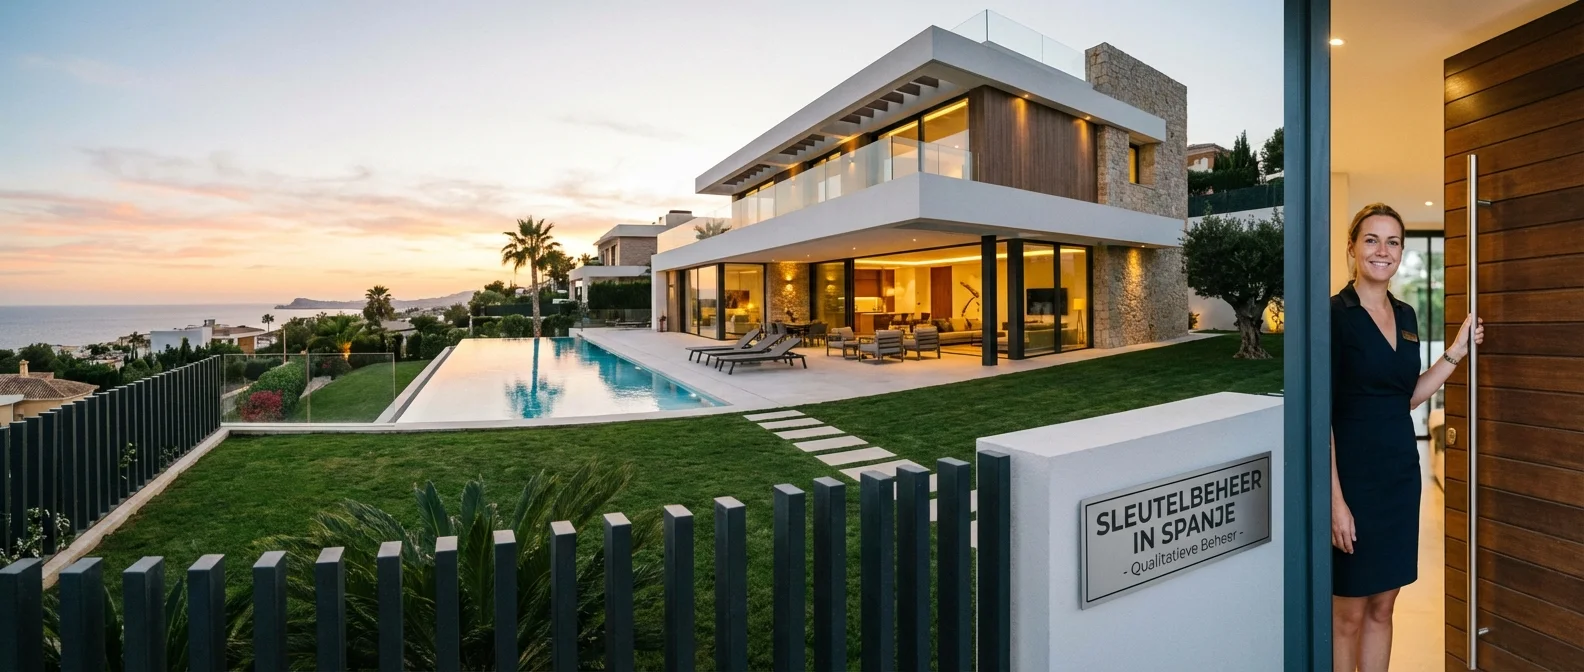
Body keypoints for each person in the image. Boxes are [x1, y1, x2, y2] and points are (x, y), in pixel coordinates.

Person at [1330, 203, 1483, 671]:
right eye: (1371, 240)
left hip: (1399, 477)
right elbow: (1322, 416)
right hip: (1352, 480)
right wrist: (1335, 501)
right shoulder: (1333, 315)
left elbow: (1407, 396)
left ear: (1401, 251)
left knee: (1384, 605)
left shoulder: (1408, 314)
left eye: (1393, 241)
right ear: (1352, 248)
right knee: (1349, 613)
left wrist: (1455, 354)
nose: (1382, 250)